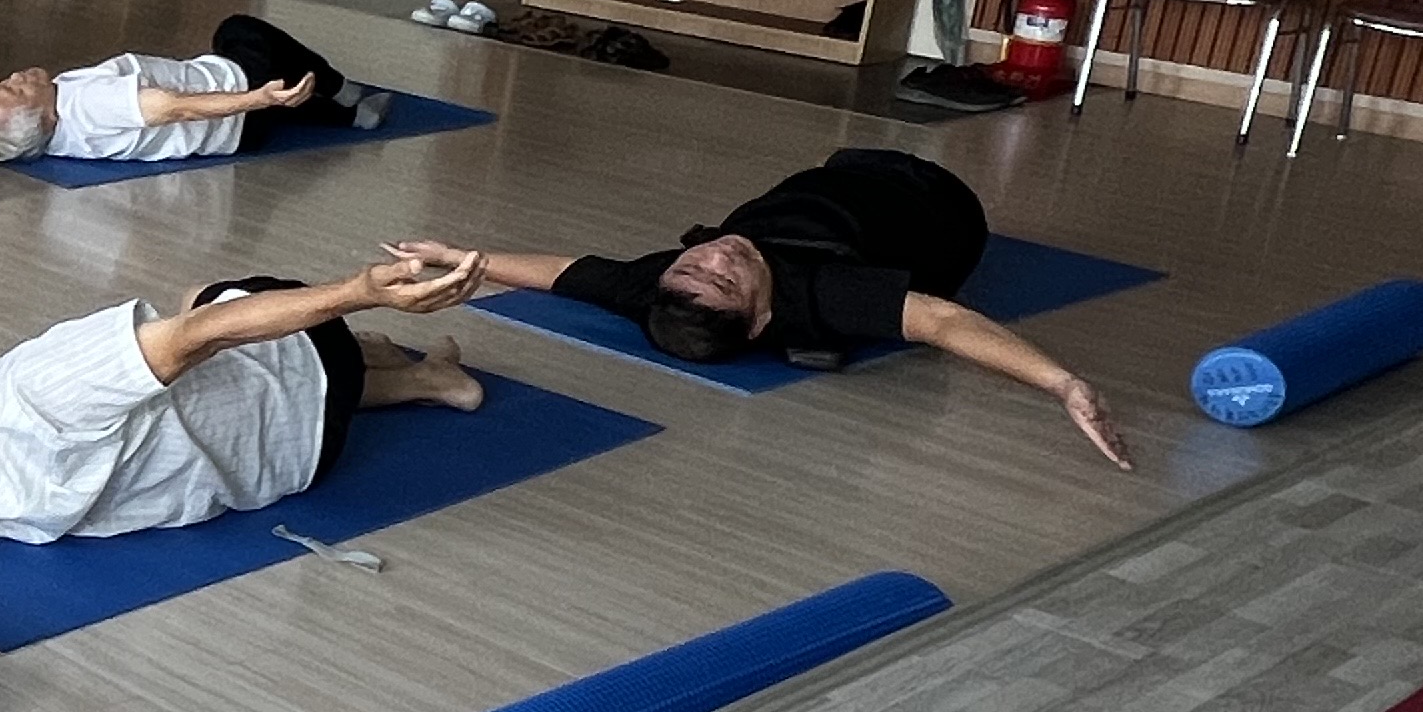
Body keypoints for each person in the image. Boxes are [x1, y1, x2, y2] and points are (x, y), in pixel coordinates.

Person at [413, 143, 1131, 468]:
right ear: (760, 318)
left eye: (697, 263)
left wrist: (460, 257)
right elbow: (944, 322)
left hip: (837, 176)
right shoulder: (823, 293)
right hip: (938, 201)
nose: (717, 256)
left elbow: (562, 273)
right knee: (859, 172)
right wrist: (1061, 382)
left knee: (838, 162)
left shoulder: (665, 289)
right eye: (725, 278)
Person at [0, 254, 486, 541]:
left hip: (290, 460)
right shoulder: (43, 395)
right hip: (301, 375)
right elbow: (204, 333)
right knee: (203, 296)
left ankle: (429, 380)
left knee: (183, 384)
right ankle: (382, 354)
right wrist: (358, 292)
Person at [0, 13, 392, 165]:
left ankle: (350, 116)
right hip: (232, 91)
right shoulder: (92, 105)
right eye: (16, 89)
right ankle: (342, 90)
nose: (12, 78)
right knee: (240, 31)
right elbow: (176, 109)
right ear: (45, 116)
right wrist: (256, 99)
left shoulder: (46, 132)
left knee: (285, 103)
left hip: (232, 133)